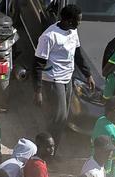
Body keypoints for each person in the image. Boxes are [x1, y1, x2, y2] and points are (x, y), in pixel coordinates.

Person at [34, 4, 92, 148]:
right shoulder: (49, 36)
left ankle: (53, 149)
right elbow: (38, 64)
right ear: (68, 20)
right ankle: (46, 150)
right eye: (77, 21)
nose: (79, 23)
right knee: (58, 117)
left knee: (63, 117)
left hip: (67, 79)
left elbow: (78, 55)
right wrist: (38, 90)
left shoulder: (73, 32)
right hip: (54, 80)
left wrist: (88, 74)